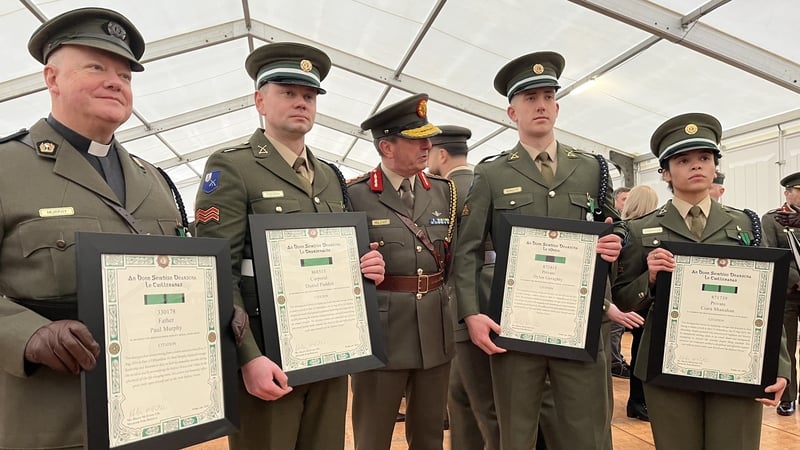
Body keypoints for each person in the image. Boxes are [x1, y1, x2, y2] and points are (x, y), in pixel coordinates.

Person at [0, 8, 187, 449]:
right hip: (54, 423)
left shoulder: (155, 181)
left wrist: (214, 304)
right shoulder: (7, 169)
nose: (115, 82)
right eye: (96, 67)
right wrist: (25, 333)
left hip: (155, 415)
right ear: (52, 78)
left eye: (125, 75)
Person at [193, 42, 385, 450]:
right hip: (268, 353)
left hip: (330, 350)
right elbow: (215, 272)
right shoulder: (232, 166)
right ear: (259, 100)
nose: (302, 103)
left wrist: (365, 265)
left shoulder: (331, 176)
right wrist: (247, 356)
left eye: (309, 96)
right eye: (288, 92)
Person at [453, 51, 623, 450]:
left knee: (586, 429)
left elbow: (615, 230)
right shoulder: (492, 173)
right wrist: (470, 313)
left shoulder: (592, 169)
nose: (540, 105)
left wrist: (616, 244)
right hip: (516, 322)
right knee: (516, 431)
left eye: (547, 96)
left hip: (578, 321)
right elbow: (468, 250)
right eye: (530, 99)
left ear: (558, 107)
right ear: (512, 112)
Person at [612, 112, 790, 449]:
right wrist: (648, 278)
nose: (696, 166)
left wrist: (778, 364)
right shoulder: (639, 230)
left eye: (704, 158)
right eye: (683, 160)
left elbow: (767, 301)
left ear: (715, 166)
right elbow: (622, 301)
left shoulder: (745, 226)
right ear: (665, 171)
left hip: (736, 361)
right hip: (667, 365)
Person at [347, 93, 456, 450]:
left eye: (428, 138)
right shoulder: (355, 195)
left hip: (435, 330)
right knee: (373, 436)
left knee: (429, 436)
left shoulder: (444, 193)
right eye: (416, 139)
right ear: (386, 147)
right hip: (383, 333)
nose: (427, 145)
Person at [428, 126, 500, 450]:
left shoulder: (442, 191)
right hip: (489, 300)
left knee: (479, 405)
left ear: (440, 154)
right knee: (467, 397)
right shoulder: (488, 179)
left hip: (461, 306)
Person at [618, 184, 659, 422]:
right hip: (642, 302)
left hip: (637, 301)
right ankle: (638, 401)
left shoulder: (626, 230)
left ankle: (639, 401)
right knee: (642, 352)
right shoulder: (636, 231)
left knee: (639, 351)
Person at [761, 171, 800, 416]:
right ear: (787, 193)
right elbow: (771, 255)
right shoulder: (773, 219)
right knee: (787, 347)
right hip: (787, 293)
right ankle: (788, 396)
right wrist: (796, 280)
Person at [610, 186, 633, 379]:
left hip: (625, 282)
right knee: (614, 326)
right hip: (613, 282)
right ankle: (614, 363)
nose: (627, 202)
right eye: (624, 198)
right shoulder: (613, 226)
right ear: (615, 201)